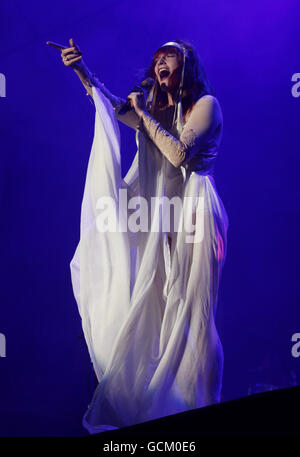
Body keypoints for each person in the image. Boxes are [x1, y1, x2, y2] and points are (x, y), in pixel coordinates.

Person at [60, 38, 229, 433]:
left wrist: (142, 114)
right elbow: (114, 106)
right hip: (155, 219)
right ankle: (148, 402)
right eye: (156, 60)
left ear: (185, 65)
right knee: (150, 303)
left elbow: (179, 155)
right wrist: (82, 71)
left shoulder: (206, 106)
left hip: (194, 218)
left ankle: (195, 401)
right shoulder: (151, 110)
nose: (159, 63)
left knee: (189, 313)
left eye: (167, 57)